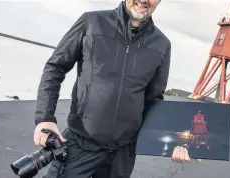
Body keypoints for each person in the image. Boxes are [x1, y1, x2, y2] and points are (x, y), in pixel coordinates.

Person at [33, 0, 192, 177]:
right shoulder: (91, 22)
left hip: (121, 155)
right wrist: (44, 118)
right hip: (79, 144)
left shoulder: (162, 44)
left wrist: (177, 141)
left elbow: (154, 101)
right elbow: (56, 67)